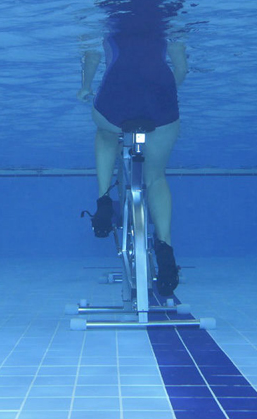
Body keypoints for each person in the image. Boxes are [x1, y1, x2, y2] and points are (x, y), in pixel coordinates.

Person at [78, 25, 187, 297]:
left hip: (117, 97)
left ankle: (103, 200)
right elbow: (181, 71)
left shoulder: (108, 25)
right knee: (156, 176)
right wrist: (161, 93)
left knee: (105, 132)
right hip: (160, 100)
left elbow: (91, 57)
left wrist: (85, 87)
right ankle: (166, 250)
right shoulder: (169, 25)